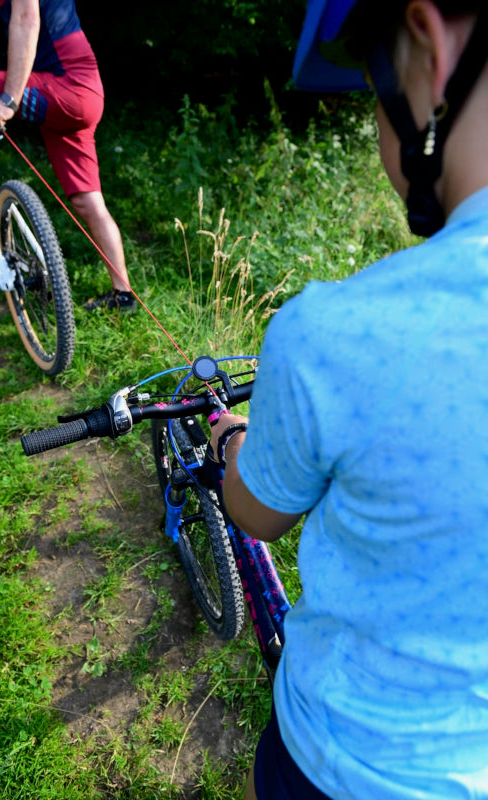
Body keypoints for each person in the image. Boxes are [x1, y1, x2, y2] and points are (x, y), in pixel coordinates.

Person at [210, 1, 488, 797]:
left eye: (373, 86)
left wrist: (236, 446)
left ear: (429, 50)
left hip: (343, 765)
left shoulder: (333, 333)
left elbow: (259, 514)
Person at [0, 0, 135, 312]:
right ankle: (123, 296)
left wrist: (8, 101)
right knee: (88, 201)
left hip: (64, 85)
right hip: (84, 91)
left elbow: (26, 20)